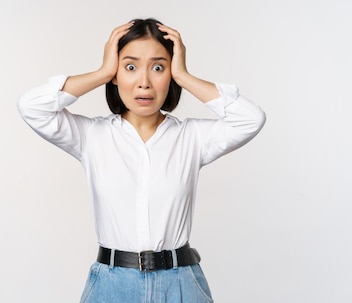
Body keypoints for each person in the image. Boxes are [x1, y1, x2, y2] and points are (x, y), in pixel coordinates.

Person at [17, 18, 266, 302]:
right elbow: (32, 107)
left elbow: (250, 119)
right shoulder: (91, 136)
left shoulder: (192, 137)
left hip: (180, 284)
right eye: (130, 67)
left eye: (159, 67)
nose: (144, 82)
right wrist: (102, 72)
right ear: (116, 73)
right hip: (112, 286)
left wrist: (184, 76)